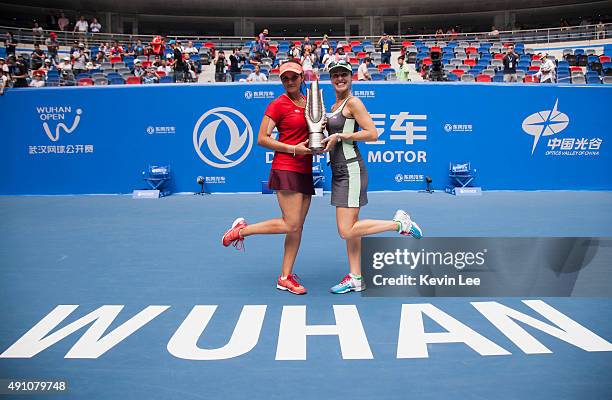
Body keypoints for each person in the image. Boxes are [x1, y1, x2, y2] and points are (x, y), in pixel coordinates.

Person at [320, 60, 423, 294]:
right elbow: (332, 137)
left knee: (346, 230)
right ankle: (356, 277)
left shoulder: (353, 102)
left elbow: (372, 133)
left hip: (351, 170)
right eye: (335, 75)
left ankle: (400, 224)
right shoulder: (335, 104)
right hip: (338, 171)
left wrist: (341, 137)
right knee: (353, 229)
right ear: (331, 78)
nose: (339, 78)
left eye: (344, 74)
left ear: (351, 77)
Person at [221, 60, 313, 295]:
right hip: (286, 166)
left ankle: (285, 277)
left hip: (305, 168)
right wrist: (293, 149)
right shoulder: (278, 105)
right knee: (290, 223)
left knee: (297, 228)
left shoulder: (310, 103)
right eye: (285, 78)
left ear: (302, 77)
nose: (290, 81)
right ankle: (240, 231)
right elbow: (262, 138)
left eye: (294, 77)